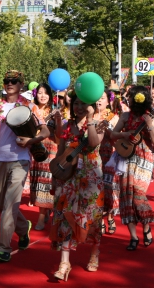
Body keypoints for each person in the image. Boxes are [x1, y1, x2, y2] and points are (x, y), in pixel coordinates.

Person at [0, 70, 49, 263]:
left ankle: (3, 248)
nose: (9, 83)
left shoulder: (29, 105)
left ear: (20, 85)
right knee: (2, 204)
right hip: (0, 159)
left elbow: (45, 130)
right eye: (7, 81)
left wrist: (31, 140)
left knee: (10, 204)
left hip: (21, 159)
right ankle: (22, 227)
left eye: (14, 81)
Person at [50, 94, 105, 280]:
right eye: (75, 103)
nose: (79, 107)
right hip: (68, 178)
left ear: (91, 105)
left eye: (83, 103)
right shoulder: (67, 126)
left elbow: (93, 143)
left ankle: (94, 253)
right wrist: (55, 175)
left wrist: (89, 120)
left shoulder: (100, 123)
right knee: (66, 216)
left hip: (91, 177)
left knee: (92, 217)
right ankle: (64, 263)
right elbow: (60, 150)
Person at [109, 86, 154, 250]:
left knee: (138, 194)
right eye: (129, 97)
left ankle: (146, 225)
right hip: (126, 158)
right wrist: (125, 134)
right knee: (126, 196)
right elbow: (113, 135)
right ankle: (133, 236)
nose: (129, 100)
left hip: (144, 160)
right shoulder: (125, 116)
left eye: (132, 97)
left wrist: (149, 124)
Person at [29, 83, 58, 231]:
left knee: (45, 182)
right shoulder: (30, 110)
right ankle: (45, 210)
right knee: (36, 181)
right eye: (40, 92)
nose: (42, 96)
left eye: (45, 93)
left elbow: (59, 135)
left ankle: (41, 216)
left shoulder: (55, 111)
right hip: (34, 149)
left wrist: (58, 121)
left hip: (50, 149)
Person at [98, 89, 121, 235]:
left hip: (110, 156)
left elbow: (116, 137)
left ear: (108, 101)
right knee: (97, 187)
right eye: (97, 98)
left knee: (110, 188)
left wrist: (107, 129)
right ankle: (99, 219)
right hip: (94, 156)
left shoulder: (114, 117)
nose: (99, 101)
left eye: (102, 98)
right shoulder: (90, 115)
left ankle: (111, 216)